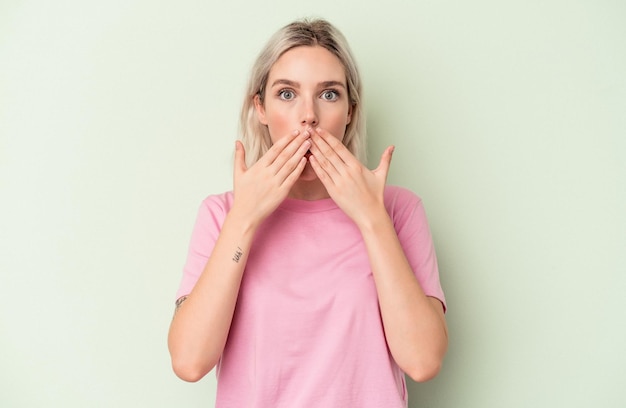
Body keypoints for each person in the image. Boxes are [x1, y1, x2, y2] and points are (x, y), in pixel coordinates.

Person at [168, 18, 448, 407]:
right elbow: (189, 361)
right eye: (286, 94)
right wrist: (245, 219)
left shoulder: (397, 210)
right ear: (260, 108)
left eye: (329, 95)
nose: (308, 116)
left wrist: (371, 218)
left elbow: (422, 361)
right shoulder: (223, 214)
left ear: (350, 110)